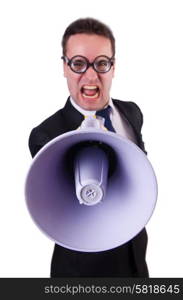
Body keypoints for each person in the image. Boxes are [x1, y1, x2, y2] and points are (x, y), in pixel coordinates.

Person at [29, 18, 149, 277]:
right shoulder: (46, 135)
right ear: (64, 67)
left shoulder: (131, 113)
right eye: (79, 64)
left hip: (137, 265)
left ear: (114, 67)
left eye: (102, 63)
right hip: (81, 275)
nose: (91, 75)